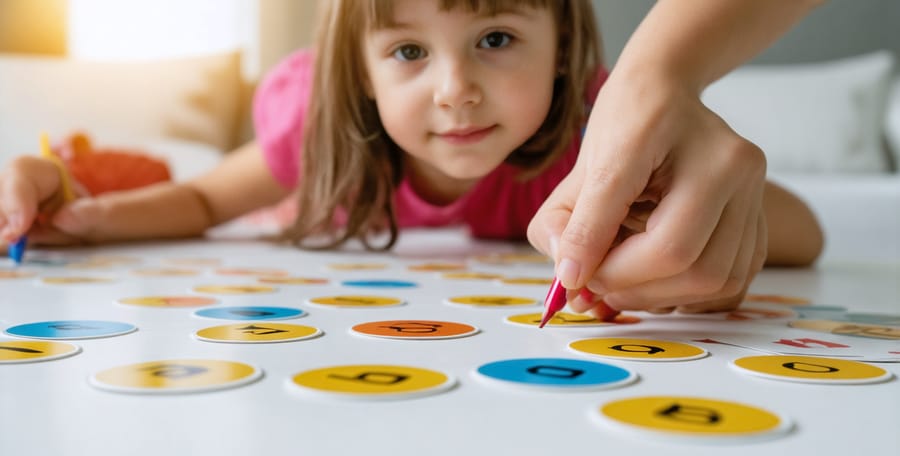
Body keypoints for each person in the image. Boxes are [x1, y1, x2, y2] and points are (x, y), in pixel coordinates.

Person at [0, 0, 823, 316]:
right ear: (357, 74)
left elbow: (805, 232)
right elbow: (206, 201)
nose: (455, 89)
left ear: (565, 53)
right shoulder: (315, 131)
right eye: (406, 54)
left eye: (495, 40)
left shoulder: (598, 137)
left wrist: (672, 210)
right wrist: (86, 218)